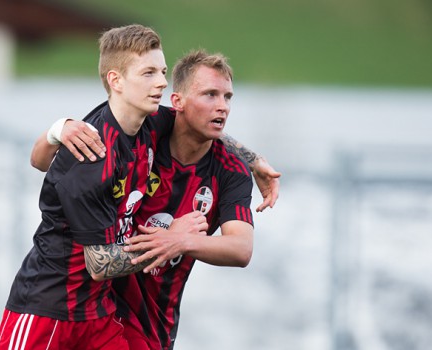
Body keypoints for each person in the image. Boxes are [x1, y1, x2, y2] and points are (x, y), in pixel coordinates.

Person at [27, 50, 280, 349]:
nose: (222, 107)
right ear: (177, 102)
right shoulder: (146, 127)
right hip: (99, 306)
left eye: (228, 97)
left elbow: (240, 248)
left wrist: (181, 241)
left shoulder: (230, 170)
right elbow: (50, 158)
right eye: (210, 94)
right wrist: (59, 128)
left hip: (153, 323)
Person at [0, 24, 172, 349]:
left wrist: (252, 161)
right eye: (148, 73)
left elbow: (196, 124)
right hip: (47, 311)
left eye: (162, 71)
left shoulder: (151, 122)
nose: (162, 81)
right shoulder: (93, 153)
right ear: (115, 81)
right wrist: (171, 244)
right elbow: (99, 264)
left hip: (98, 314)